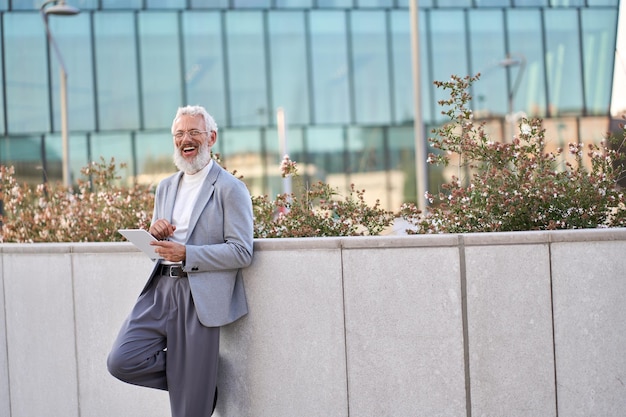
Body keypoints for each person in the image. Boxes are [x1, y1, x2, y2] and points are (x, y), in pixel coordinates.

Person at [107, 105, 254, 417]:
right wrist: (155, 232)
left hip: (198, 297)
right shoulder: (166, 186)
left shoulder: (230, 189)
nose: (186, 139)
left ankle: (196, 386)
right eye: (179, 134)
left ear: (211, 137)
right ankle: (197, 381)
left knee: (188, 412)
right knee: (121, 359)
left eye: (194, 132)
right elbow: (161, 243)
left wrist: (189, 254)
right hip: (160, 288)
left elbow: (242, 251)